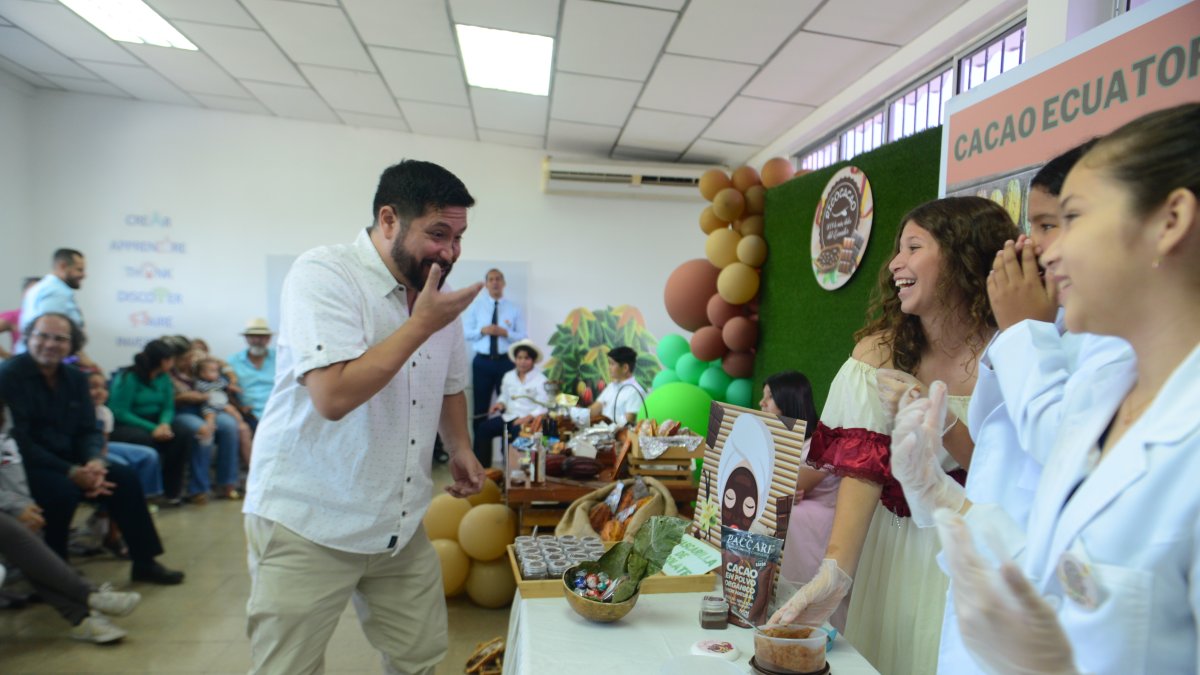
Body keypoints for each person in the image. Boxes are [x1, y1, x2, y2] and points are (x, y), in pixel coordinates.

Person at [897, 103, 1200, 675]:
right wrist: (946, 500)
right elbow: (1065, 569)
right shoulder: (1107, 391)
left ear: (1170, 220)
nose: (1045, 250)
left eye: (1073, 218)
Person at [243, 159, 487, 675]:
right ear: (389, 219)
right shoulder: (325, 273)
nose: (450, 251)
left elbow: (448, 383)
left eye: (459, 237)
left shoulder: (433, 296)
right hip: (306, 519)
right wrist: (421, 326)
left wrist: (460, 445)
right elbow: (331, 397)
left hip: (397, 521)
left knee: (418, 659)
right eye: (438, 233)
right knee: (288, 668)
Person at [770, 197, 1019, 675]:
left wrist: (942, 422)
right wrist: (836, 571)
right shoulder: (878, 354)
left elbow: (1007, 472)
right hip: (895, 550)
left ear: (963, 255)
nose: (895, 264)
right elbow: (862, 472)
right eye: (897, 249)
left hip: (976, 550)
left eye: (914, 246)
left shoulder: (1013, 350)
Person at [0, 313, 183, 585]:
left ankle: (145, 562)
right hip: (29, 464)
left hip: (77, 460)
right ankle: (55, 573)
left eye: (60, 338)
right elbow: (19, 440)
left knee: (125, 478)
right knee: (60, 491)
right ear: (28, 338)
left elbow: (89, 429)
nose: (50, 344)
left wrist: (95, 461)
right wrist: (71, 471)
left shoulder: (74, 378)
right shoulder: (9, 376)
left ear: (72, 345)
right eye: (42, 336)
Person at [1, 403, 143, 643]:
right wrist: (15, 506)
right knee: (9, 528)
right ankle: (87, 596)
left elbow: (11, 472)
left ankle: (82, 618)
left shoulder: (6, 422)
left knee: (24, 533)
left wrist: (23, 507)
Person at [760, 371, 846, 632]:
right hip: (796, 505)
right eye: (762, 397)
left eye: (769, 398)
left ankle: (790, 602)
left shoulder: (822, 442)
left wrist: (781, 488)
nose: (762, 403)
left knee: (781, 515)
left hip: (820, 513)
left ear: (789, 401)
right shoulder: (776, 437)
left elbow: (795, 485)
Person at [108, 339, 194, 505]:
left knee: (182, 434)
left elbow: (168, 407)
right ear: (162, 361)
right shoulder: (129, 377)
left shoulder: (164, 378)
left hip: (157, 422)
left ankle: (171, 492)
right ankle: (148, 493)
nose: (173, 363)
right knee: (145, 440)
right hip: (128, 424)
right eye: (170, 359)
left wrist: (164, 424)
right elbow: (120, 412)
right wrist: (152, 428)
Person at [463, 269, 526, 431]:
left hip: (506, 362)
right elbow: (466, 333)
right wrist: (482, 331)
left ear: (503, 283)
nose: (495, 282)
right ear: (486, 284)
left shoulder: (513, 308)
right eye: (491, 279)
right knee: (480, 409)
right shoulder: (476, 306)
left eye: (498, 279)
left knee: (509, 408)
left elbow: (522, 336)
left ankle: (506, 452)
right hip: (482, 363)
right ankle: (479, 454)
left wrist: (505, 333)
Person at [472, 339, 549, 468]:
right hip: (508, 417)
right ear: (515, 359)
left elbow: (544, 406)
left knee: (515, 435)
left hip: (528, 421)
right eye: (519, 358)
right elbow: (504, 396)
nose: (522, 362)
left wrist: (527, 418)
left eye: (526, 358)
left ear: (533, 360)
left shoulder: (541, 380)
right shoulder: (508, 376)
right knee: (483, 429)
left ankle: (513, 472)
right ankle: (483, 470)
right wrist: (500, 404)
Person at [89, 371, 163, 500]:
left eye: (104, 388)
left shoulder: (104, 412)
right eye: (93, 387)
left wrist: (102, 458)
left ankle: (142, 498)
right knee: (122, 466)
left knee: (149, 455)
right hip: (86, 452)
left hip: (103, 448)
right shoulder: (76, 410)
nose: (100, 392)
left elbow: (104, 443)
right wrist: (99, 461)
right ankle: (105, 511)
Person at [189, 356, 244, 500]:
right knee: (207, 431)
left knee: (232, 425)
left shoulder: (219, 380)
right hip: (206, 410)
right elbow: (209, 398)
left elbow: (226, 387)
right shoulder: (200, 384)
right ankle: (199, 489)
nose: (216, 374)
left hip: (219, 408)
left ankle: (228, 483)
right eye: (212, 371)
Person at [228, 318, 277, 423]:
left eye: (261, 337)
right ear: (246, 338)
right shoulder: (233, 361)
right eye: (253, 336)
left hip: (277, 411)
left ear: (269, 339)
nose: (257, 340)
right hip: (248, 413)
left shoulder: (280, 359)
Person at [588, 346, 645, 425]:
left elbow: (629, 422)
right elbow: (594, 409)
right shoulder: (611, 386)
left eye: (612, 364)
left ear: (625, 368)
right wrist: (573, 413)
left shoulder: (635, 391)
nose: (609, 368)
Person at [0, 277, 39, 359]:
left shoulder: (54, 320)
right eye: (32, 292)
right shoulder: (14, 316)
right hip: (20, 367)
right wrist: (8, 357)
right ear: (23, 295)